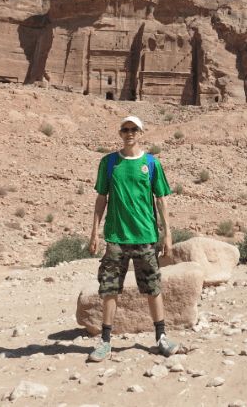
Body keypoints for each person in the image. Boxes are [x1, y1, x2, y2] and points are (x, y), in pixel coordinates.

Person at [87, 115, 177, 362]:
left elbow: (161, 199)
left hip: (146, 236)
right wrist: (94, 232)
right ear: (120, 133)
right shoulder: (109, 163)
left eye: (134, 129)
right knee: (109, 289)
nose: (129, 133)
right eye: (125, 129)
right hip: (115, 237)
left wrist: (167, 233)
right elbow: (101, 198)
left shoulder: (151, 163)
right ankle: (105, 341)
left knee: (153, 287)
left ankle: (161, 337)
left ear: (141, 132)